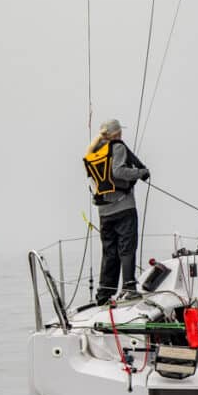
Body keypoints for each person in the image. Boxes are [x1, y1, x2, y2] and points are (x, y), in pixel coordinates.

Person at [83, 119, 150, 305]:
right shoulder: (117, 147)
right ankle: (129, 287)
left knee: (109, 252)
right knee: (126, 248)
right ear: (118, 133)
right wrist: (140, 173)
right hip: (123, 206)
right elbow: (118, 172)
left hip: (104, 211)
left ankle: (104, 292)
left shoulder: (95, 150)